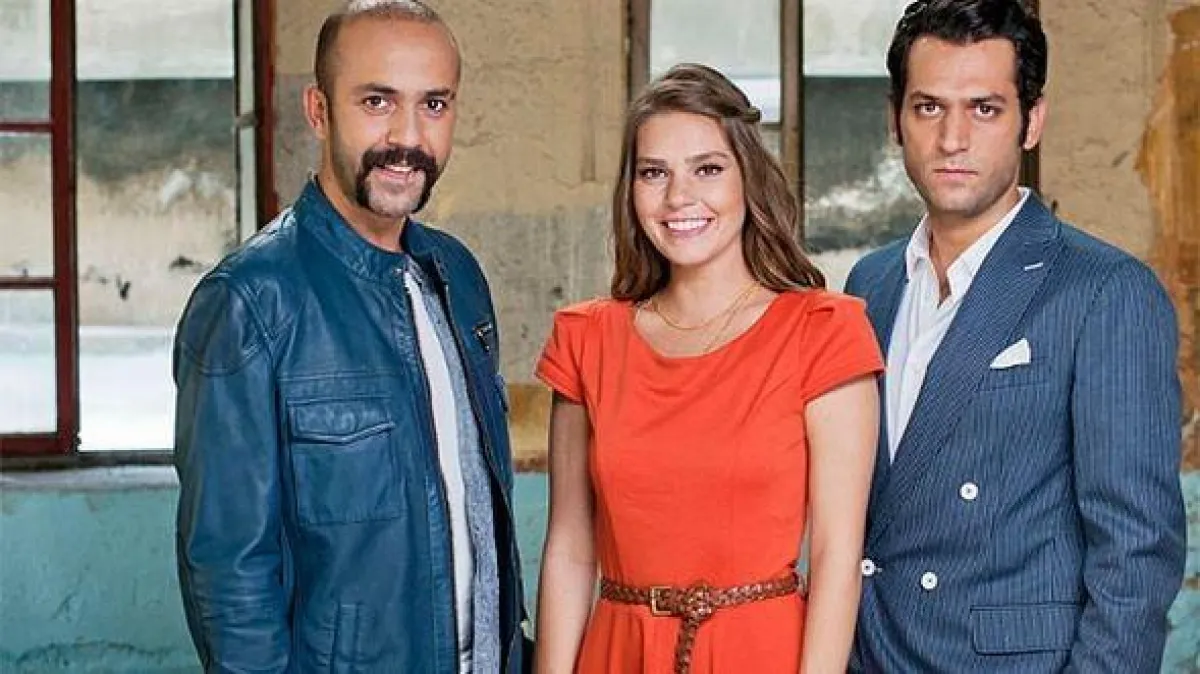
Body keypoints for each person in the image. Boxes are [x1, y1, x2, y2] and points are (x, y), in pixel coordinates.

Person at [171, 2, 529, 672]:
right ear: (318, 110)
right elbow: (228, 572)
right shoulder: (249, 302)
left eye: (434, 104)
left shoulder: (457, 275)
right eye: (376, 101)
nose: (408, 136)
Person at [844, 1, 1187, 671]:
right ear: (894, 119)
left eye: (985, 109)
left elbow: (1137, 551)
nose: (952, 139)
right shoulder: (870, 283)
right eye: (929, 107)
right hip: (873, 653)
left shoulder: (1105, 290)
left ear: (1032, 121)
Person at [533, 63, 883, 674]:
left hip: (763, 654)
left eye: (708, 168)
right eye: (654, 173)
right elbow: (568, 549)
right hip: (617, 654)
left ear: (748, 177)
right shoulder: (586, 339)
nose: (678, 197)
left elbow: (836, 558)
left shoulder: (824, 330)